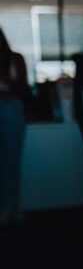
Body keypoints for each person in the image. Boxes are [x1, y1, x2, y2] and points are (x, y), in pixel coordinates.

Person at [0, 27, 31, 226]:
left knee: (10, 163)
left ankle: (9, 210)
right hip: (11, 107)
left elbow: (22, 88)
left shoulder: (15, 59)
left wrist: (7, 86)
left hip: (11, 108)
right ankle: (8, 210)